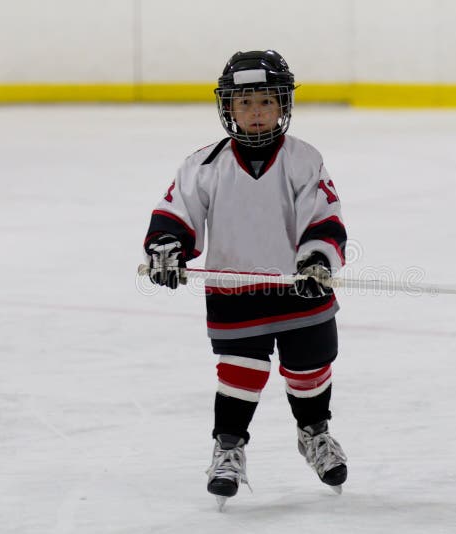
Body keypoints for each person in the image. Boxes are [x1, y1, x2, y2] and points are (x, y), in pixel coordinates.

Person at [143, 50, 348, 504]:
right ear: (228, 108)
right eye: (245, 103)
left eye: (267, 102)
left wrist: (317, 261)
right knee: (240, 372)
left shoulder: (304, 160)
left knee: (310, 368)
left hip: (301, 289)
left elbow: (325, 217)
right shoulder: (203, 164)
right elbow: (176, 212)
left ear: (283, 106)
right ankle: (229, 448)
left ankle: (314, 434)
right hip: (235, 291)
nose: (256, 113)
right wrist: (167, 247)